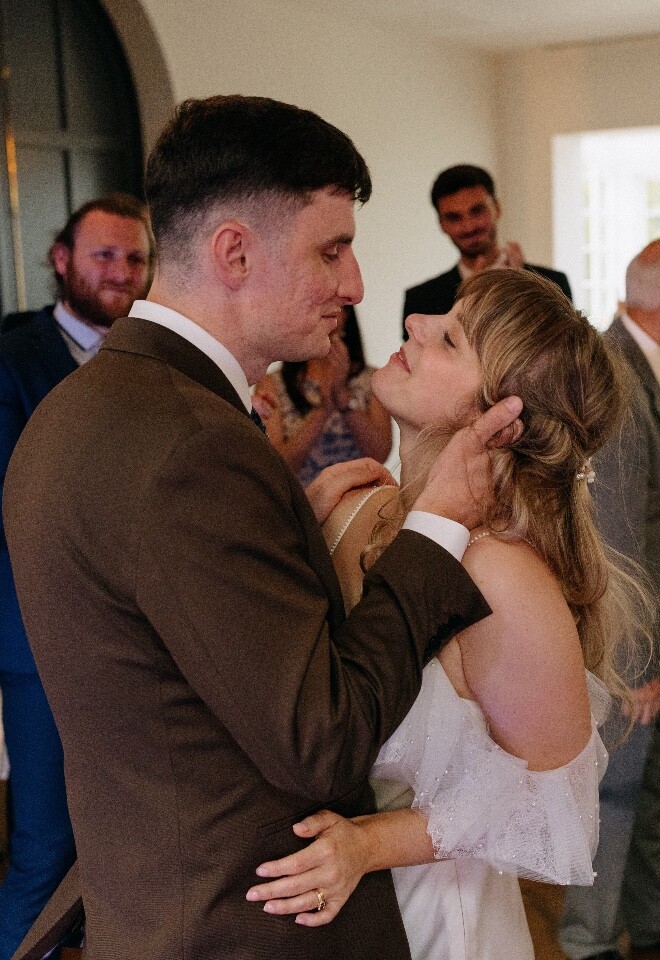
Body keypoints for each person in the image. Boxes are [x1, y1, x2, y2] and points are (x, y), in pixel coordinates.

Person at [2, 95, 523, 960]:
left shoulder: (86, 406)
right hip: (239, 927)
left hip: (153, 901)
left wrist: (297, 548)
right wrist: (433, 531)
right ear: (235, 252)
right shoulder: (192, 446)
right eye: (332, 249)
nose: (355, 287)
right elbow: (323, 741)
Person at [245, 269, 651, 960]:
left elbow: (551, 811)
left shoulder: (499, 575)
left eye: (450, 337)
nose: (413, 325)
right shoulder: (360, 502)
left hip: (432, 922)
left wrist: (368, 844)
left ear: (499, 412)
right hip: (316, 915)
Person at [0, 192, 152, 960]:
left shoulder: (151, 360)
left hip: (140, 643)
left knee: (123, 845)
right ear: (62, 259)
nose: (122, 272)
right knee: (44, 848)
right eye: (104, 255)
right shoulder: (11, 358)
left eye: (136, 258)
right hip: (39, 641)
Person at [558, 240, 660, 960]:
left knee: (645, 801)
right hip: (631, 648)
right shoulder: (615, 373)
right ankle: (588, 944)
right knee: (613, 801)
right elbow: (619, 540)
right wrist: (639, 666)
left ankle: (647, 926)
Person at [402, 164, 572, 334]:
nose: (468, 226)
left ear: (496, 208)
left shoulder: (553, 284)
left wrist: (521, 292)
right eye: (454, 217)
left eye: (477, 211)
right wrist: (470, 301)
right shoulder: (420, 301)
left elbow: (567, 355)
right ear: (442, 224)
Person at [253, 305, 391, 485]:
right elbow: (278, 465)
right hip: (303, 504)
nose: (326, 316)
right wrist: (323, 409)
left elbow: (379, 454)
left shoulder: (373, 379)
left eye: (335, 307)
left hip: (360, 500)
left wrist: (342, 397)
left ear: (347, 315)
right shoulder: (272, 384)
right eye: (317, 305)